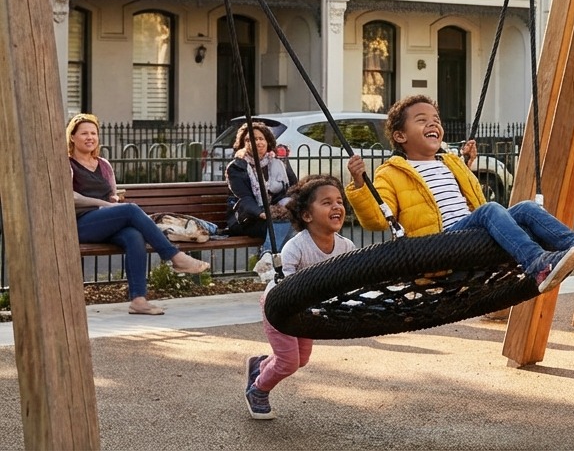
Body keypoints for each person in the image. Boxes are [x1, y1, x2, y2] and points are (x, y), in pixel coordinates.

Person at [345, 95, 574, 294]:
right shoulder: (390, 172)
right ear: (400, 136)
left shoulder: (449, 162)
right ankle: (538, 264)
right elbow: (378, 221)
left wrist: (465, 165)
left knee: (526, 208)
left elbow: (470, 198)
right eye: (422, 120)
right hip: (437, 249)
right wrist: (359, 184)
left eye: (436, 120)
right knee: (490, 210)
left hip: (471, 238)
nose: (433, 124)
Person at [66, 113, 210, 315]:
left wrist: (113, 201)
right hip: (81, 224)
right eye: (84, 133)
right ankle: (174, 256)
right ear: (72, 137)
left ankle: (138, 300)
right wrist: (105, 205)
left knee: (134, 236)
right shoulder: (67, 163)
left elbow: (112, 194)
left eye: (93, 133)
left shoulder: (104, 165)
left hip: (106, 221)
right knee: (131, 209)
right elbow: (70, 197)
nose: (90, 137)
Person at [244, 174, 356, 419]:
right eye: (326, 203)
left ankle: (260, 366)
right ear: (307, 215)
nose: (337, 206)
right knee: (288, 362)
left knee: (301, 359)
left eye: (339, 201)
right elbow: (282, 282)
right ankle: (258, 390)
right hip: (279, 307)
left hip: (306, 309)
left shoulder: (346, 246)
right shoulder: (295, 247)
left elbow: (354, 278)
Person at [224, 121, 297, 252]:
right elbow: (244, 199)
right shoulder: (237, 167)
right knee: (282, 223)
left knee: (292, 221)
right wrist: (263, 213)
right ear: (243, 144)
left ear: (267, 141)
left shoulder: (279, 163)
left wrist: (288, 206)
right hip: (247, 218)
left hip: (275, 213)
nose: (257, 143)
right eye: (251, 140)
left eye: (260, 138)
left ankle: (272, 260)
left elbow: (293, 188)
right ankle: (270, 258)